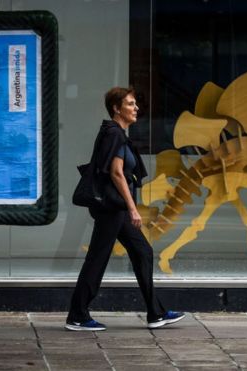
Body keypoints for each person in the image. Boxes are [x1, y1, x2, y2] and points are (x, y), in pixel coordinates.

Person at [65, 87, 185, 331]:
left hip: (116, 209)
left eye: (135, 104)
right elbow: (116, 173)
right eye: (130, 104)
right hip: (114, 209)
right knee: (97, 259)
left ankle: (156, 313)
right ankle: (77, 315)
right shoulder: (114, 134)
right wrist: (133, 208)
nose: (136, 108)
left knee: (143, 252)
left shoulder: (116, 133)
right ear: (116, 109)